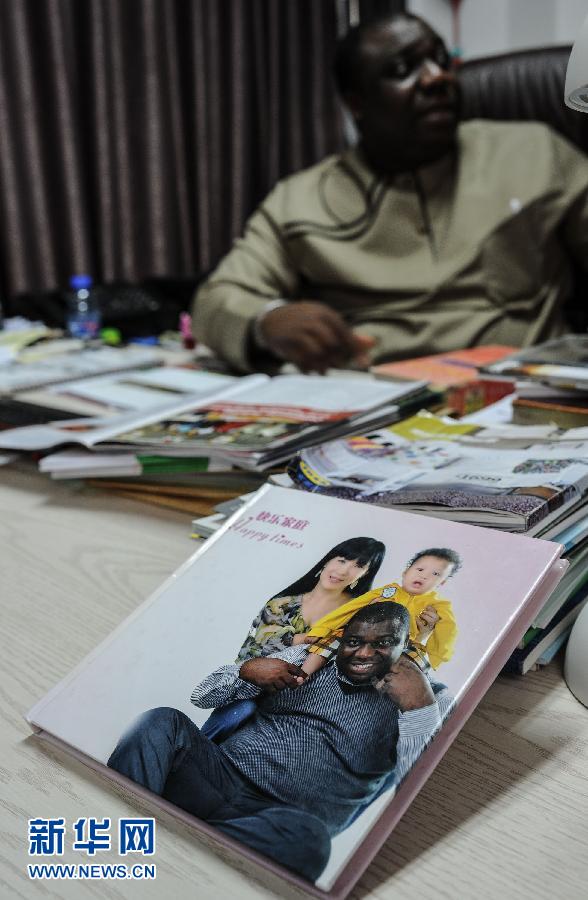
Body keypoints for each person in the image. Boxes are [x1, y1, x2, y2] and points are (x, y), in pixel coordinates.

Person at [191, 12, 588, 374]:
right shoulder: (301, 198)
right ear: (356, 103)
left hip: (524, 392)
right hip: (375, 400)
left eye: (441, 60)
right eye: (403, 70)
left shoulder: (535, 151)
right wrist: (267, 319)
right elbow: (216, 298)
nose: (436, 78)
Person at [107, 602, 453, 881]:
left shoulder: (430, 698)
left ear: (406, 645)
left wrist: (418, 708)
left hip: (285, 821)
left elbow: (424, 793)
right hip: (215, 776)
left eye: (381, 644)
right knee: (161, 720)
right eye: (354, 641)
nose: (363, 653)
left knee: (310, 841)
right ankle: (121, 834)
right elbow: (201, 696)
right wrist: (243, 671)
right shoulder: (306, 661)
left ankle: (177, 855)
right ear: (340, 638)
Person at [201, 535, 385, 739]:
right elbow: (255, 654)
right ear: (327, 560)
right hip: (256, 691)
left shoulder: (360, 613)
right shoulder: (281, 605)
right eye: (341, 560)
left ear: (365, 574)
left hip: (311, 703)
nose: (343, 570)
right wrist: (306, 639)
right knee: (237, 713)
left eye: (357, 566)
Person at [299, 547, 461, 677]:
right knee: (331, 641)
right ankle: (302, 674)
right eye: (420, 569)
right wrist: (322, 629)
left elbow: (448, 631)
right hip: (363, 636)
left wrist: (436, 656)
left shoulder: (438, 605)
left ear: (442, 583)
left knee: (415, 665)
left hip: (403, 645)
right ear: (405, 572)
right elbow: (350, 608)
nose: (424, 576)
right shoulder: (386, 591)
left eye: (435, 574)